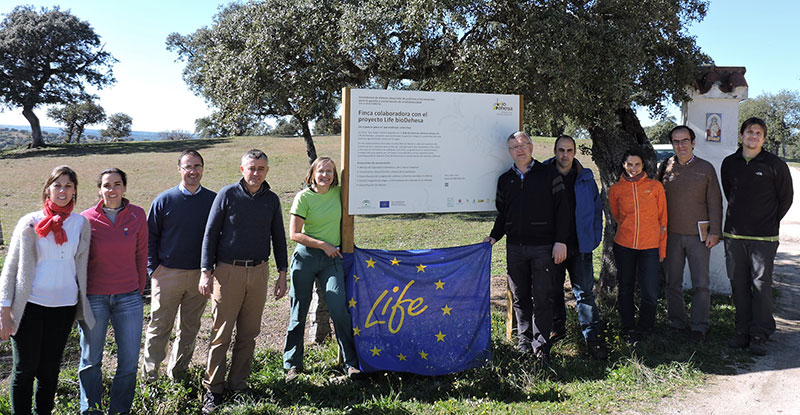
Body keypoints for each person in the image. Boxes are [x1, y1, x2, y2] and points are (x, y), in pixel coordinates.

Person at [0, 166, 95, 415]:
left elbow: (82, 266)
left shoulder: (80, 224)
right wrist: (4, 310)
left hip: (63, 308)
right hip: (30, 306)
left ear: (75, 191)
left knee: (50, 369)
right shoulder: (30, 222)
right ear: (47, 189)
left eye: (68, 186)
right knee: (25, 368)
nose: (62, 190)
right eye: (57, 185)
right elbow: (10, 269)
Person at [199, 149, 288, 414]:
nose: (256, 173)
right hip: (227, 272)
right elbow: (210, 234)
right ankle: (213, 389)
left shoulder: (271, 200)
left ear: (267, 171)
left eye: (261, 168)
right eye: (251, 168)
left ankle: (239, 385)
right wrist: (206, 271)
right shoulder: (227, 195)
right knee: (221, 334)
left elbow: (279, 238)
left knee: (249, 334)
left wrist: (282, 273)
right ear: (242, 169)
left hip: (259, 272)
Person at [485, 131, 569, 361]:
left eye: (523, 145)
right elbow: (503, 215)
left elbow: (563, 210)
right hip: (515, 248)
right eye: (514, 147)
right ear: (509, 152)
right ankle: (524, 341)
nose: (519, 150)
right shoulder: (505, 180)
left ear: (531, 147)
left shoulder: (548, 174)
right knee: (520, 297)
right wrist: (493, 237)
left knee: (542, 296)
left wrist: (561, 241)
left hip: (544, 247)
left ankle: (541, 345)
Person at [282, 157, 363, 381]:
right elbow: (294, 234)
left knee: (339, 307)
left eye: (330, 171)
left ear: (335, 175)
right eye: (321, 171)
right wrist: (322, 245)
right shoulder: (303, 197)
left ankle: (351, 363)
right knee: (298, 311)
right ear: (313, 174)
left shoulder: (340, 194)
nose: (325, 175)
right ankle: (292, 364)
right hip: (306, 257)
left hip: (332, 259)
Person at [141, 150, 216, 381]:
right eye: (187, 166)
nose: (193, 171)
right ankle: (150, 377)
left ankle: (178, 375)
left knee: (190, 328)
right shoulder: (164, 200)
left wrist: (210, 271)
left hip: (199, 276)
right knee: (159, 326)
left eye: (197, 166)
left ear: (202, 168)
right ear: (179, 169)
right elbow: (149, 238)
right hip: (167, 275)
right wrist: (154, 269)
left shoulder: (213, 200)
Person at [721, 117, 793, 356]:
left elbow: (786, 199)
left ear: (763, 138)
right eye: (749, 132)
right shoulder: (729, 163)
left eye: (758, 133)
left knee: (760, 285)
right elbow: (729, 192)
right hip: (734, 236)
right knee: (738, 284)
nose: (753, 136)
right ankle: (742, 331)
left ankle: (760, 334)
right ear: (741, 135)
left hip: (764, 238)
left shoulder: (775, 164)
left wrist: (769, 221)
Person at [79, 168, 148, 415]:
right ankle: (92, 410)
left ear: (125, 187)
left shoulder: (138, 215)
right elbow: (80, 262)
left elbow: (142, 256)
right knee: (91, 361)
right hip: (94, 298)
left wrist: (138, 290)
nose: (112, 189)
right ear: (99, 189)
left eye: (117, 184)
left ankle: (119, 411)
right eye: (107, 185)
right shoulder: (85, 219)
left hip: (129, 298)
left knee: (128, 363)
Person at [656, 126, 722, 343]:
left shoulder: (706, 168)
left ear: (694, 142)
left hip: (699, 237)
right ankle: (676, 322)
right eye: (676, 141)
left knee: (700, 284)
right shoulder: (665, 167)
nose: (680, 145)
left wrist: (715, 232)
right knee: (672, 282)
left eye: (685, 140)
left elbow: (715, 203)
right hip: (672, 235)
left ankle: (699, 327)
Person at [543, 135, 606, 359]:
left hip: (580, 246)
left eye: (569, 150)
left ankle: (592, 339)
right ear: (555, 151)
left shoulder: (585, 177)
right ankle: (557, 332)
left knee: (584, 294)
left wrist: (593, 238)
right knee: (553, 292)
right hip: (552, 246)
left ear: (575, 152)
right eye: (561, 150)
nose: (565, 155)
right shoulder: (543, 174)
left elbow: (597, 209)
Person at [608, 148, 667, 342]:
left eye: (637, 164)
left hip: (649, 247)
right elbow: (617, 215)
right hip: (624, 246)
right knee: (625, 288)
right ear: (624, 166)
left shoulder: (655, 187)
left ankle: (646, 327)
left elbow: (663, 220)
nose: (633, 168)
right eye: (629, 164)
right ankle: (628, 328)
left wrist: (662, 248)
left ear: (643, 165)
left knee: (650, 290)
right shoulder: (616, 189)